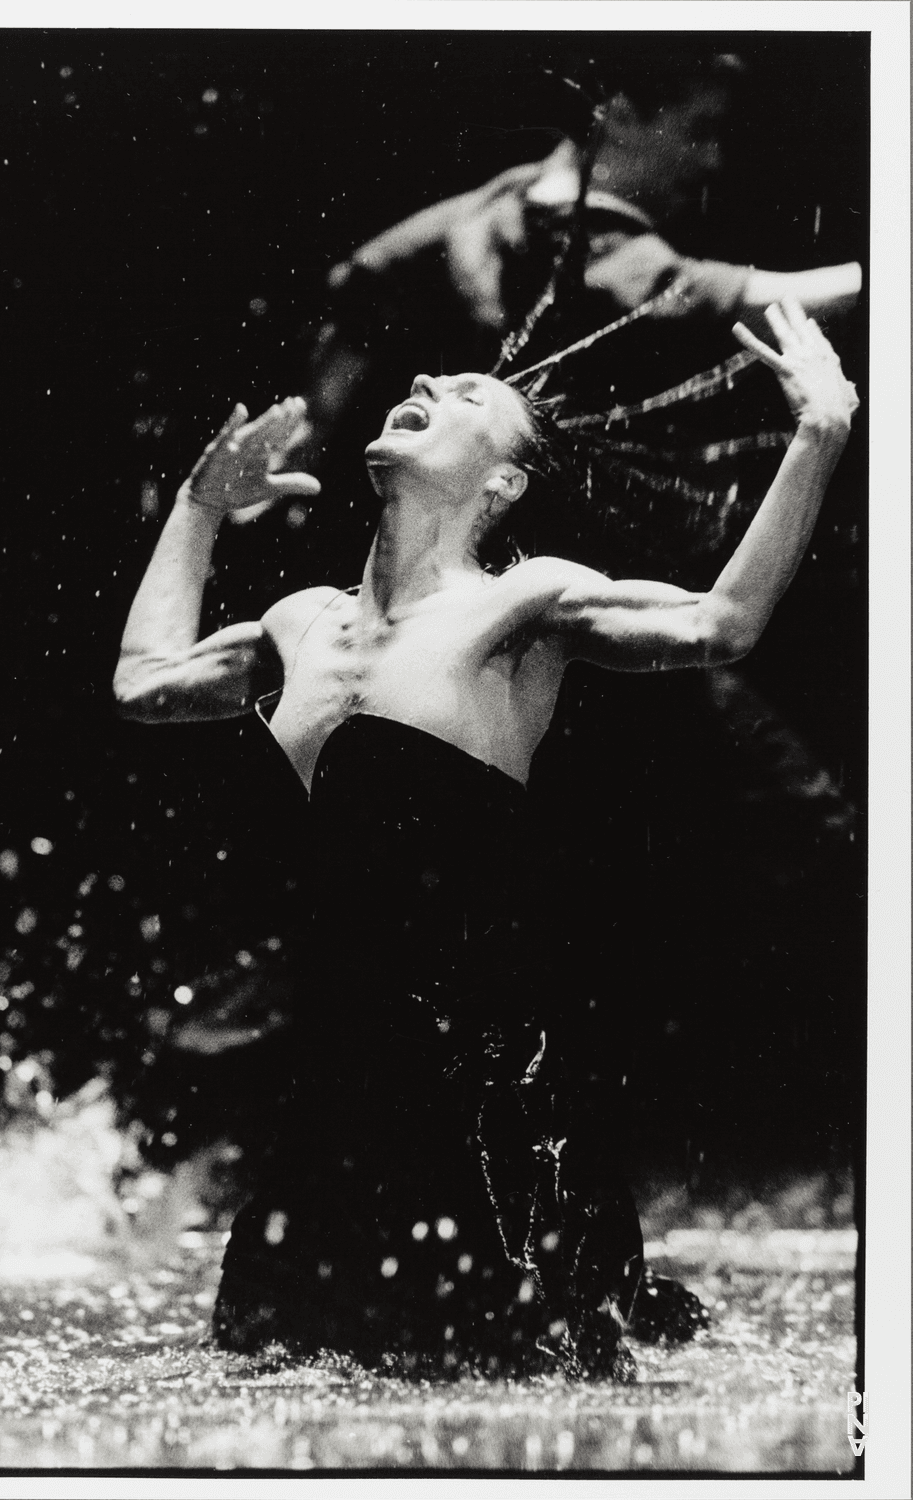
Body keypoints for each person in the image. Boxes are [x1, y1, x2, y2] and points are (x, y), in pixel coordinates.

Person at [113, 301, 857, 1378]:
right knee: (278, 1381)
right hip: (332, 1108)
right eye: (432, 382)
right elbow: (141, 684)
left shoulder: (526, 603)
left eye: (472, 396)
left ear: (503, 484)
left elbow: (717, 625)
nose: (429, 384)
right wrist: (196, 507)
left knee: (529, 1393)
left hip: (492, 1112)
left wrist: (819, 435)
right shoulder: (296, 623)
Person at [305, 51, 861, 452]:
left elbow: (365, 280)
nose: (711, 160)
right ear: (618, 116)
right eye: (699, 129)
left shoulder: (508, 193)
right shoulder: (569, 232)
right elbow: (747, 303)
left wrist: (318, 421)